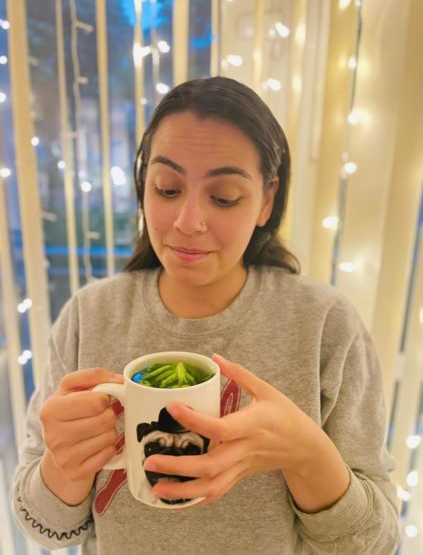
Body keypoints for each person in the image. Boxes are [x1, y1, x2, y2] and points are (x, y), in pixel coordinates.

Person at [11, 76, 400, 554]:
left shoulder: (324, 325)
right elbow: (43, 528)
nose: (187, 222)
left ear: (267, 201)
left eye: (223, 198)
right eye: (167, 188)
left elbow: (376, 543)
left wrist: (308, 456)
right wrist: (62, 465)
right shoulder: (89, 317)